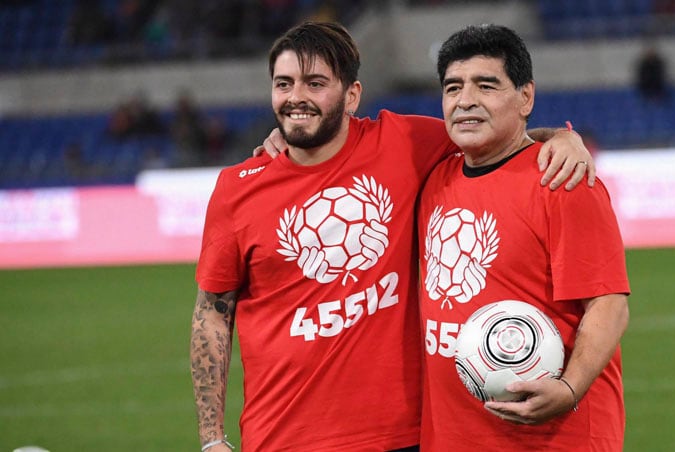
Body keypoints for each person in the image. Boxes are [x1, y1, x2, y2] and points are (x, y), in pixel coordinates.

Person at [191, 22, 595, 452]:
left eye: (315, 84)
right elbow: (212, 313)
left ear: (352, 95)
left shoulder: (405, 142)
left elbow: (494, 133)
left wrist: (562, 137)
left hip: (402, 437)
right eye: (284, 84)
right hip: (282, 438)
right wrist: (212, 438)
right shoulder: (238, 188)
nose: (296, 97)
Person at [416, 24, 630, 450]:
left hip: (551, 438)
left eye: (486, 85)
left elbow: (608, 304)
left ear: (525, 97)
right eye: (453, 87)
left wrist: (569, 389)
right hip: (455, 437)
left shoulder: (562, 180)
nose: (466, 101)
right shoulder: (434, 177)